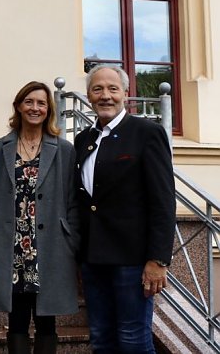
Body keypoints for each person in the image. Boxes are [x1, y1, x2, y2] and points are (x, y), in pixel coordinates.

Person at [76, 65, 175, 353]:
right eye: (97, 89)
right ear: (88, 96)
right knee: (101, 338)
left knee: (133, 340)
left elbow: (163, 201)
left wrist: (158, 260)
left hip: (133, 260)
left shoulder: (147, 133)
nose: (105, 95)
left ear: (125, 93)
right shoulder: (83, 140)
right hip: (93, 259)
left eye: (112, 89)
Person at [0, 81, 80, 354]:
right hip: (12, 245)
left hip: (51, 245)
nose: (35, 108)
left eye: (41, 103)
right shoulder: (0, 148)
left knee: (47, 320)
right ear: (18, 106)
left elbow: (73, 201)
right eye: (29, 102)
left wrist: (71, 241)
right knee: (17, 318)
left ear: (49, 110)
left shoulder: (64, 150)